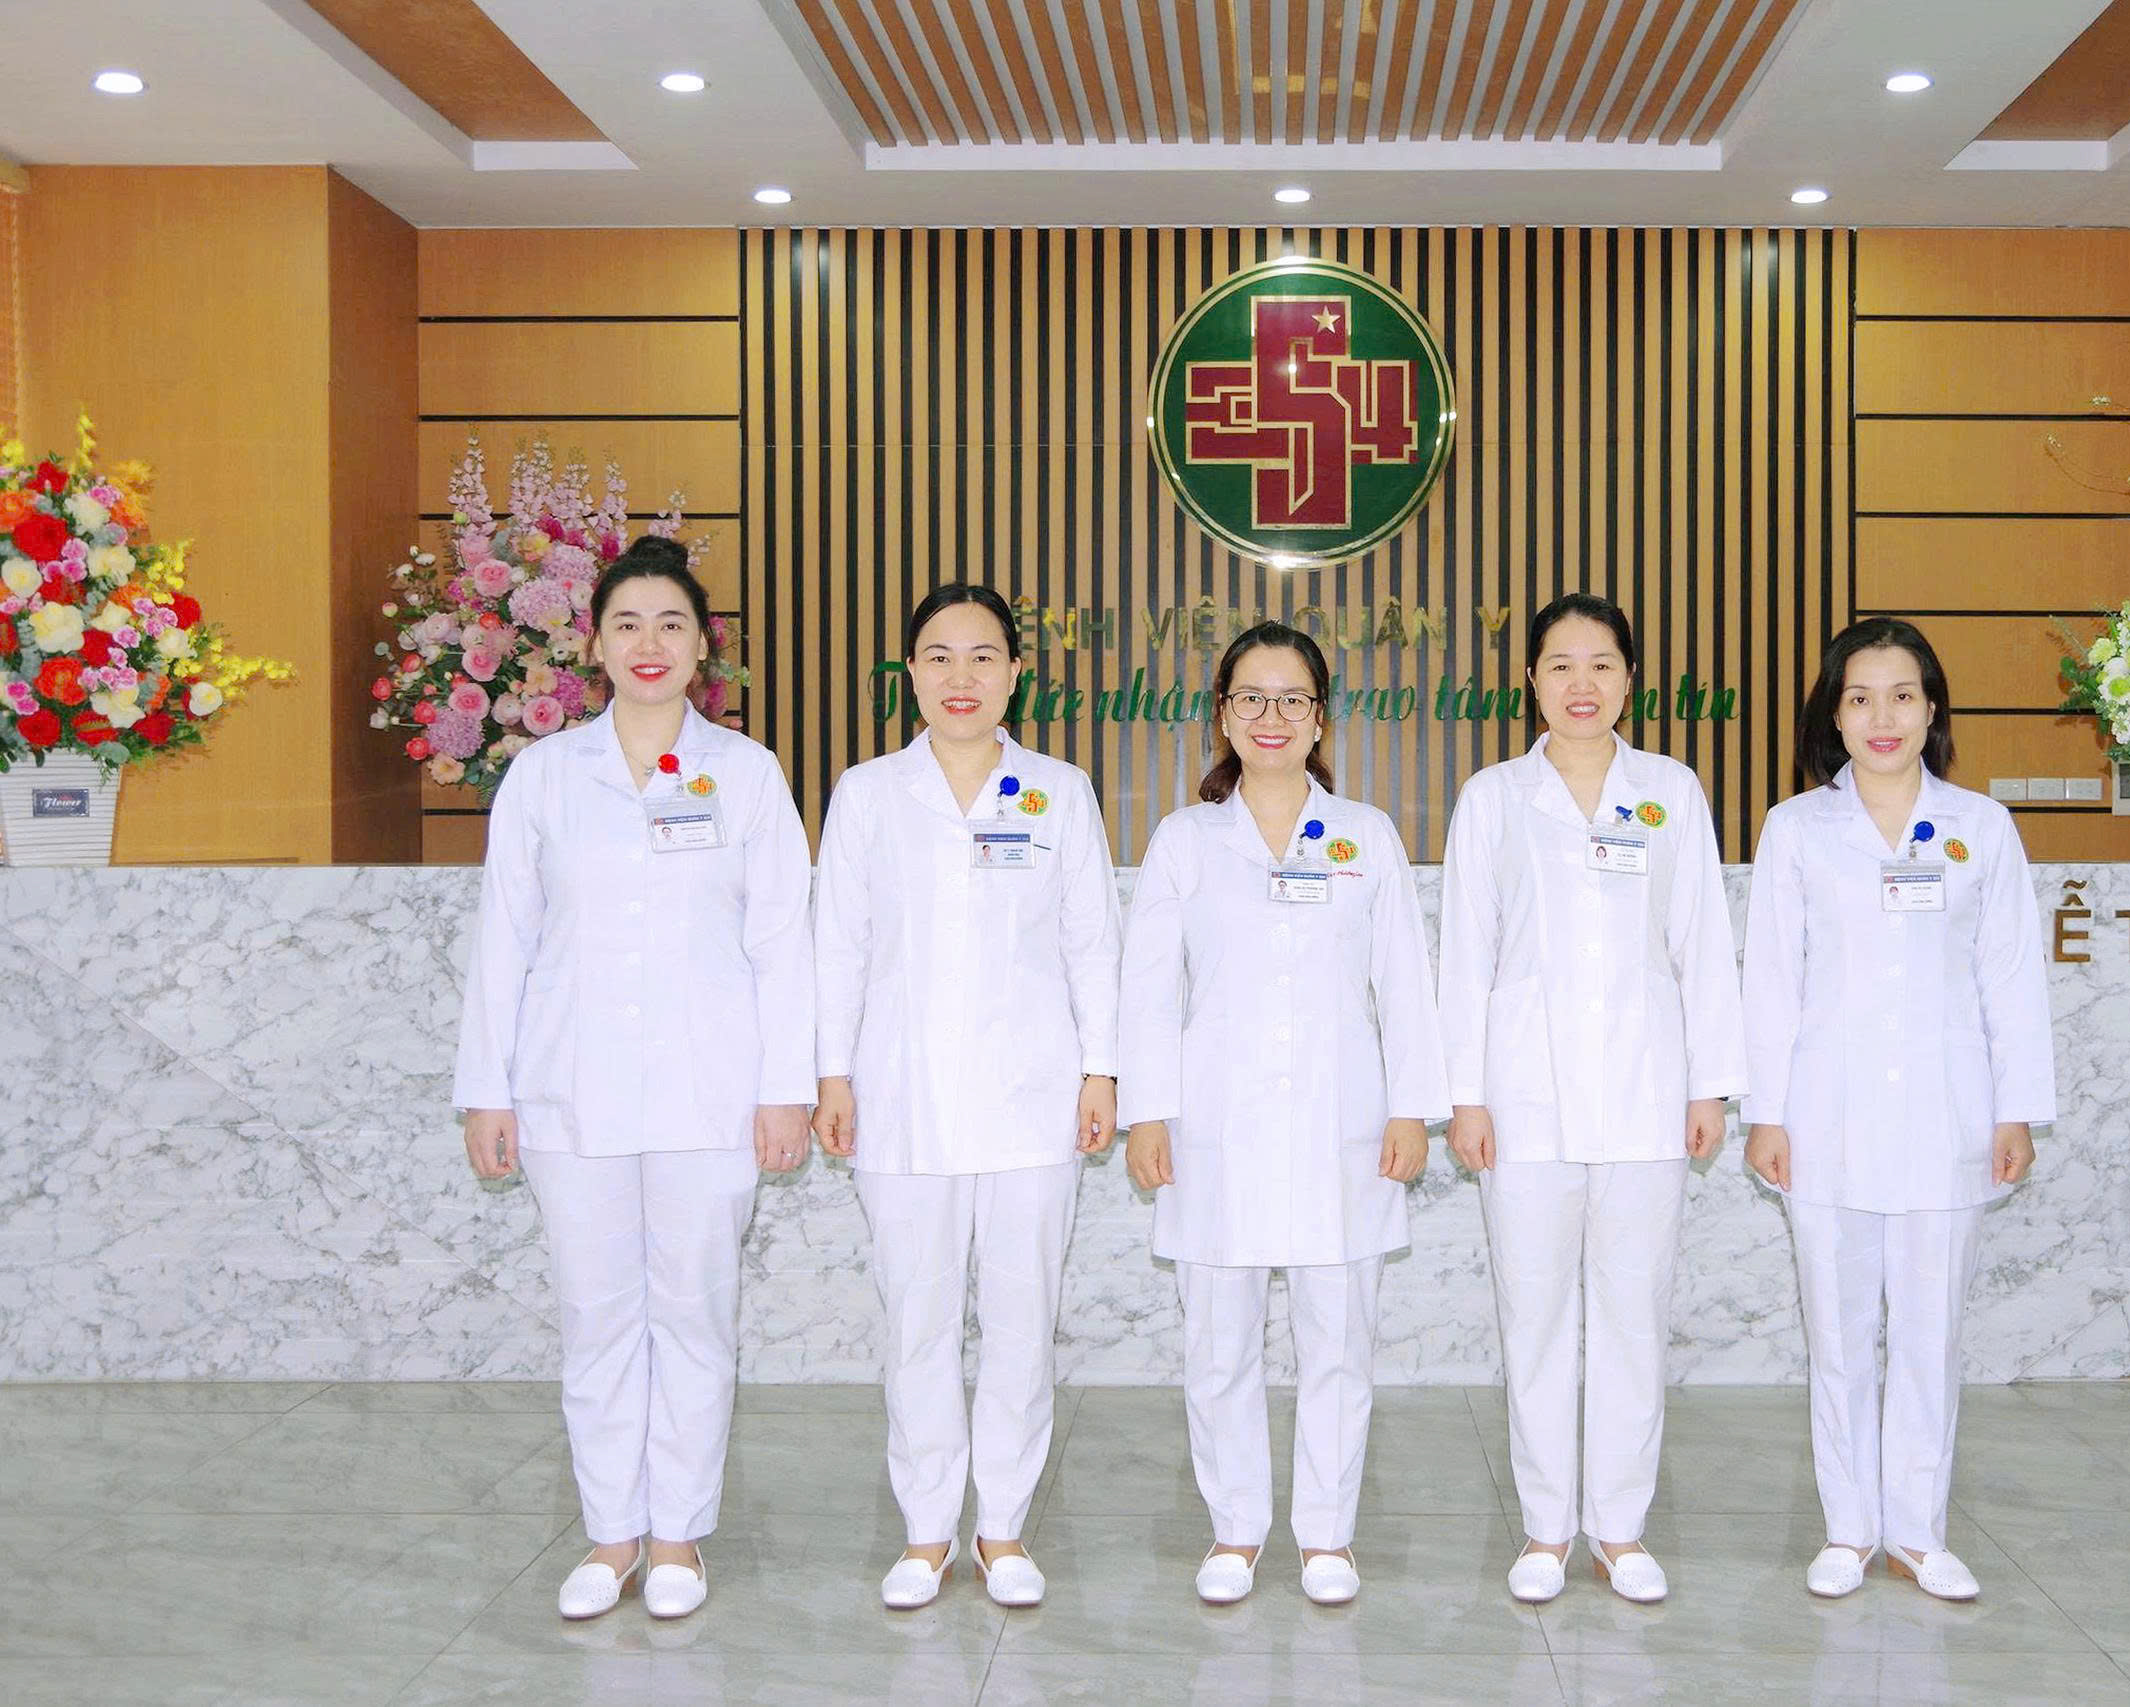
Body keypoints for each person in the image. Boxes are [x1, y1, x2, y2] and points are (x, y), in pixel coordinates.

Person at [454, 535, 816, 1622]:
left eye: (669, 624)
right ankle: (609, 1535)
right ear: (594, 644)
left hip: (714, 1096)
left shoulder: (745, 775)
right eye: (626, 625)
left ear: (703, 647)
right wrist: (488, 1086)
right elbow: (503, 939)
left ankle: (676, 1540)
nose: (648, 644)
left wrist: (785, 1087)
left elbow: (782, 943)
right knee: (598, 1318)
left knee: (694, 1316)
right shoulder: (542, 776)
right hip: (572, 1093)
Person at [1118, 622, 1449, 1608]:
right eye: (1250, 699)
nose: (1271, 717)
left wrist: (1411, 1110)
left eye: (1292, 699)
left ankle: (1326, 1535)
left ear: (1320, 717)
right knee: (1217, 1340)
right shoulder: (1184, 840)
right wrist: (1148, 1112)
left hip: (1341, 1125)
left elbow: (1405, 980)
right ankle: (1233, 1530)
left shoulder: (1365, 836)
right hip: (1213, 1127)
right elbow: (1147, 991)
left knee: (1337, 1337)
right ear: (1222, 713)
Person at [813, 583, 1121, 1611]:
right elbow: (839, 945)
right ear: (910, 673)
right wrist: (831, 1073)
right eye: (938, 657)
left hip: (1034, 1098)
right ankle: (926, 1528)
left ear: (1016, 675)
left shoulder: (1058, 791)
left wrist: (1101, 1068)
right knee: (919, 1320)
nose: (961, 678)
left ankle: (1002, 1527)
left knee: (1023, 1319)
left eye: (983, 657)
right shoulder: (866, 793)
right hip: (900, 1098)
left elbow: (1092, 940)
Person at [1438, 591, 1747, 1605]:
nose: (1582, 685)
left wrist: (1710, 1084)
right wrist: (1466, 1095)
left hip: (1648, 1091)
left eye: (1602, 665)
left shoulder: (1669, 791)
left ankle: (1619, 1527)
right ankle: (1543, 1529)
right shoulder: (1491, 797)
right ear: (1529, 680)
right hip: (1521, 1098)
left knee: (1630, 1316)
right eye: (1561, 665)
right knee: (1532, 1316)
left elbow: (1702, 943)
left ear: (1629, 680)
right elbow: (1465, 955)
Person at [1740, 616, 2053, 1604]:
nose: (1883, 717)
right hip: (1822, 1121)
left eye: (1903, 695)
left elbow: (2009, 974)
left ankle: (1917, 1531)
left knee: (1928, 1333)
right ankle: (1848, 1529)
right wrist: (1767, 1112)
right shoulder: (1796, 829)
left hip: (1946, 1119)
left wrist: (2016, 1110)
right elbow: (1770, 981)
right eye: (1860, 697)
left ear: (1932, 709)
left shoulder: (1979, 826)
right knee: (1837, 1334)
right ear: (1834, 713)